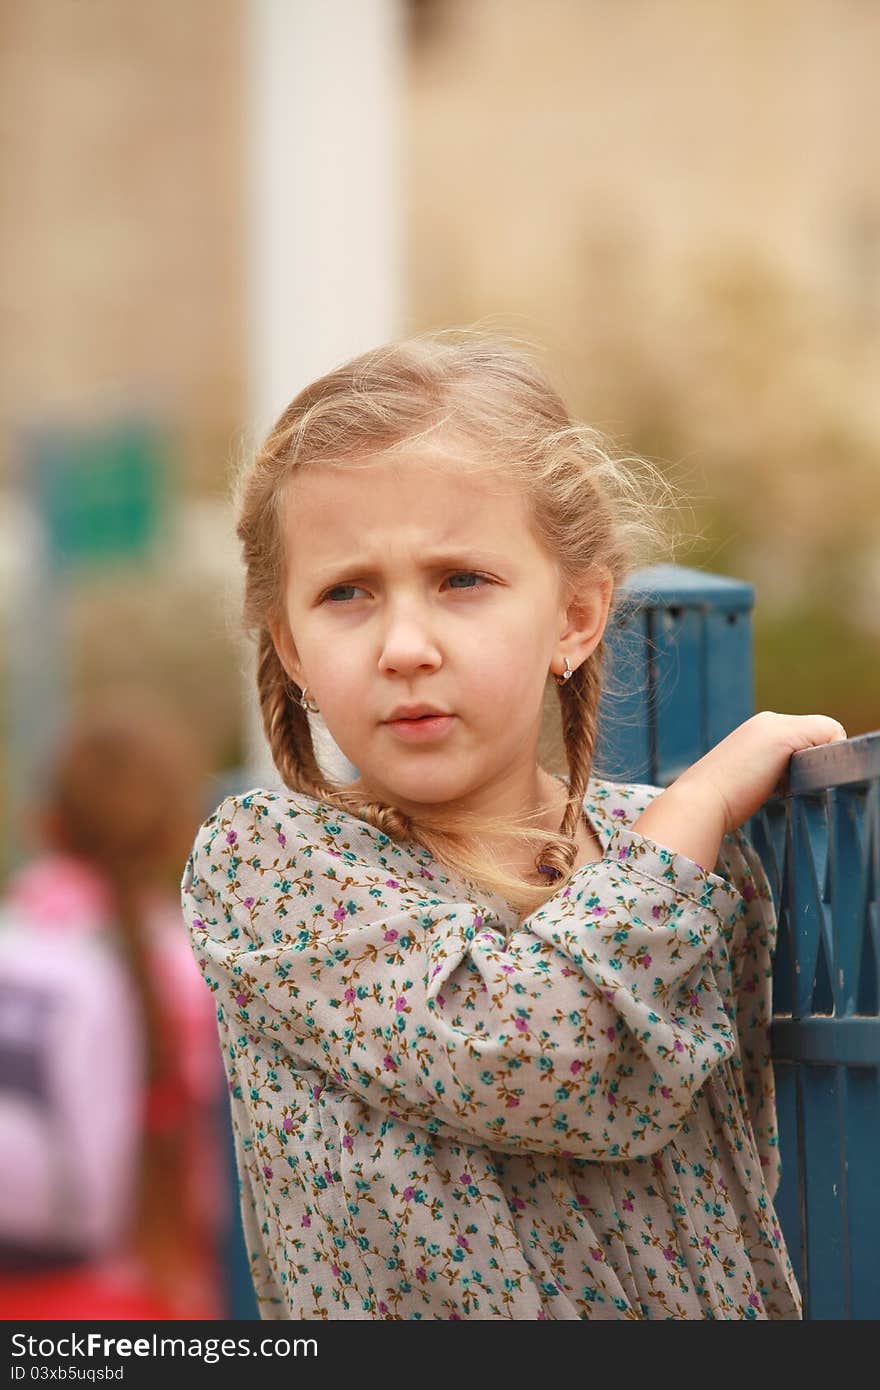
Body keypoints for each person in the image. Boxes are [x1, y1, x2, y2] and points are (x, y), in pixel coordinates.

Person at [180, 329, 846, 1320]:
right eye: (346, 594)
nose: (405, 644)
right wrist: (696, 811)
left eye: (462, 580)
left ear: (576, 617)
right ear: (292, 646)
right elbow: (533, 1056)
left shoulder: (672, 858)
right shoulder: (268, 865)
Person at [0, 697, 227, 1319]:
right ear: (176, 831)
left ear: (45, 823)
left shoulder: (15, 937)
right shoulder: (188, 973)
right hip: (142, 1290)